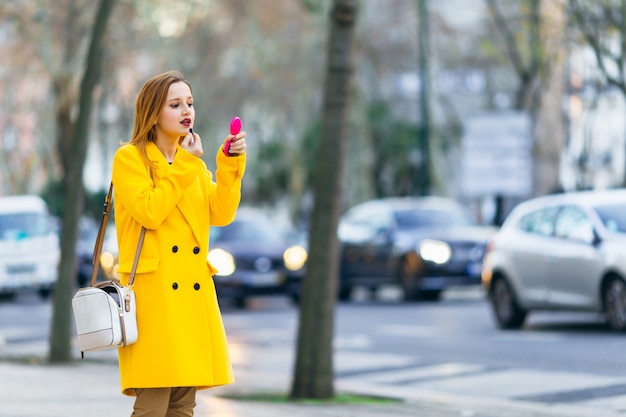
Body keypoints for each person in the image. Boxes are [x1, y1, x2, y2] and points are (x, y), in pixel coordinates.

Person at [111, 70, 246, 417]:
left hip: (191, 299)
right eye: (175, 104)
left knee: (183, 406)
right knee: (152, 407)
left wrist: (229, 166)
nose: (187, 110)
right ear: (154, 113)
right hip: (154, 300)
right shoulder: (130, 159)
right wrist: (186, 164)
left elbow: (221, 212)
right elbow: (150, 211)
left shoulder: (194, 166)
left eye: (190, 102)